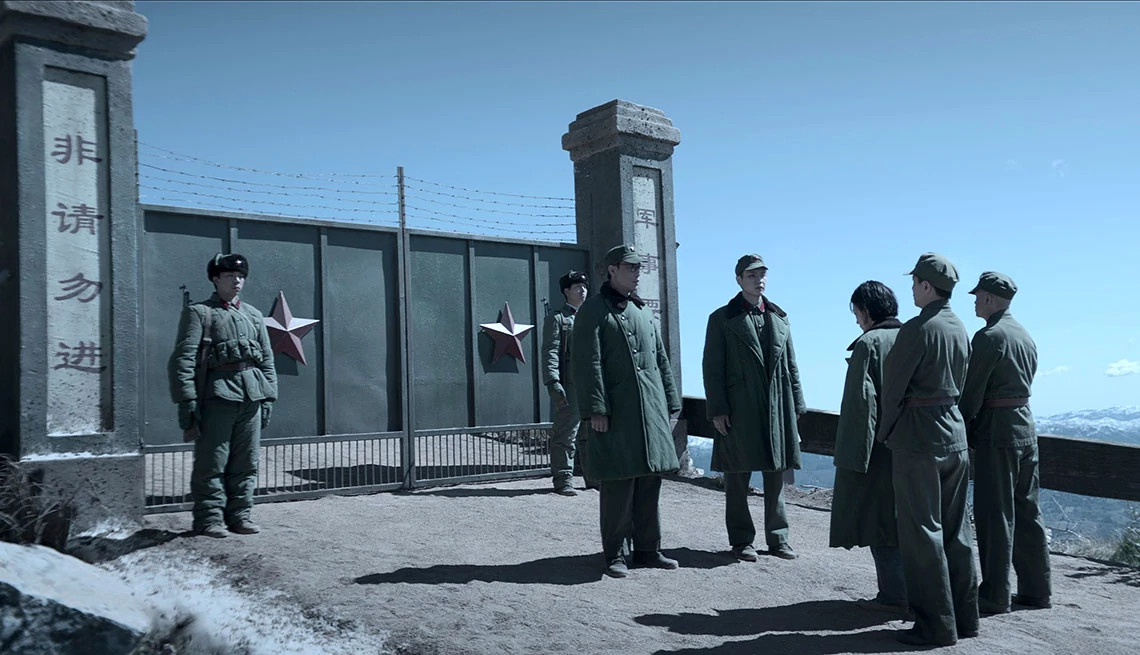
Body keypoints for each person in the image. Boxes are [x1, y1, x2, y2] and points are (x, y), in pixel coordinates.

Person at [877, 252, 979, 647]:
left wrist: (886, 433)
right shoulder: (959, 328)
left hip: (919, 438)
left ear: (924, 284)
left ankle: (935, 625)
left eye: (914, 282)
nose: (911, 289)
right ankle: (965, 618)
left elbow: (894, 389)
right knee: (957, 531)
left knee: (922, 533)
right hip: (954, 434)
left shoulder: (918, 329)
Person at [572, 244, 682, 578]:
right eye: (630, 268)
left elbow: (660, 359)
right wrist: (595, 410)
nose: (637, 273)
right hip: (616, 412)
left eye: (638, 268)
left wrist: (670, 402)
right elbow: (588, 363)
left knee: (649, 481)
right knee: (619, 483)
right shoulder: (593, 311)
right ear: (612, 270)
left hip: (650, 412)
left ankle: (648, 549)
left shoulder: (642, 311)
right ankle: (615, 553)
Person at [702, 254, 805, 562]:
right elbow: (712, 367)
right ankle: (741, 540)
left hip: (776, 406)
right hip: (739, 407)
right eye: (751, 275)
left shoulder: (779, 317)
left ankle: (778, 538)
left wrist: (797, 406)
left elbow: (792, 366)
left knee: (775, 473)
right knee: (737, 475)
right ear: (738, 280)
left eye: (761, 274)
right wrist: (717, 408)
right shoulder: (721, 318)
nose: (758, 279)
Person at [959, 272, 1052, 614]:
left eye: (978, 295)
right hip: (1025, 427)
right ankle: (1037, 589)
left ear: (990, 299)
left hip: (997, 432)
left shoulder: (989, 337)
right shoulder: (1024, 335)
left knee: (994, 512)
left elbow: (972, 392)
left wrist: (962, 430)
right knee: (1027, 509)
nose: (974, 300)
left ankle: (995, 593)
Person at [168, 253, 278, 538]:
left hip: (252, 396)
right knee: (212, 461)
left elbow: (266, 359)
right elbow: (183, 359)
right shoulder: (200, 313)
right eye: (230, 276)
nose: (237, 281)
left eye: (240, 276)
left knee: (246, 461)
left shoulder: (253, 315)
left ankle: (240, 515)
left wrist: (269, 397)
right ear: (215, 279)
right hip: (217, 396)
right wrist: (187, 399)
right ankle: (209, 519)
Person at [829, 281, 907, 613]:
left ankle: (893, 595)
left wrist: (853, 460)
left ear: (866, 311)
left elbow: (862, 406)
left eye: (857, 312)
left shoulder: (869, 344)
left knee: (881, 522)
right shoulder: (914, 337)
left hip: (879, 448)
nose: (857, 320)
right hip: (919, 445)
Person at [541, 269, 590, 496]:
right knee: (566, 435)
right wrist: (553, 381)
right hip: (570, 385)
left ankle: (594, 477)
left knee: (593, 432)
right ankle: (563, 479)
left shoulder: (592, 316)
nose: (583, 291)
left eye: (584, 287)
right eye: (577, 287)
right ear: (566, 291)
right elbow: (550, 351)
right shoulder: (557, 318)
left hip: (593, 384)